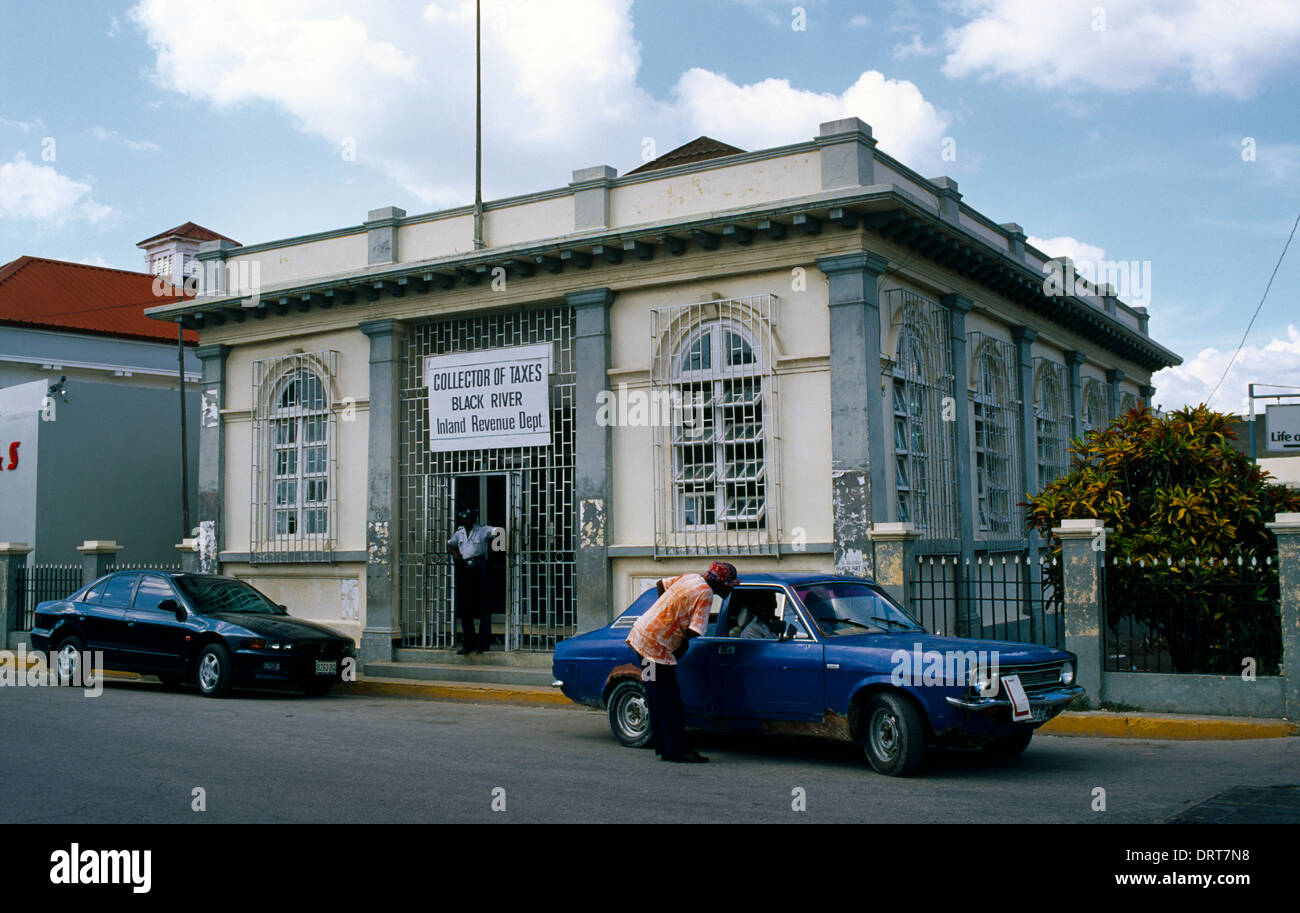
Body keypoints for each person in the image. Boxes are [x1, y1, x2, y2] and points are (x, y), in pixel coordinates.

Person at [626, 561, 740, 763]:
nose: (729, 589)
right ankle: (677, 751)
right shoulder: (706, 593)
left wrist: (668, 613)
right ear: (720, 583)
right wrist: (677, 635)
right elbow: (695, 630)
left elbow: (661, 584)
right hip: (655, 649)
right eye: (728, 585)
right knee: (670, 700)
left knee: (655, 696)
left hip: (641, 639)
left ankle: (663, 747)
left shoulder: (691, 577)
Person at [447, 507, 494, 654]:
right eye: (464, 519)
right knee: (466, 608)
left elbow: (499, 532)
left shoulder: (483, 530)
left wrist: (499, 549)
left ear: (474, 519)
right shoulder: (459, 533)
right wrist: (456, 555)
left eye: (469, 518)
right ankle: (468, 644)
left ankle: (483, 643)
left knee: (483, 607)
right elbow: (450, 545)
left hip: (479, 567)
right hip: (466, 569)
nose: (466, 521)